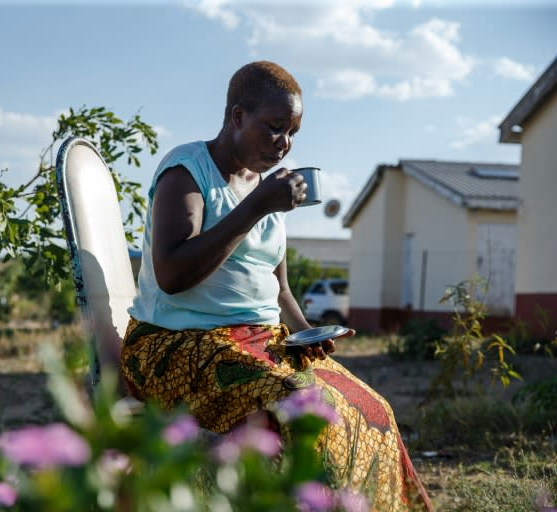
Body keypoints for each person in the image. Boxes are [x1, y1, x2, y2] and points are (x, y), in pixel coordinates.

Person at [120, 61, 432, 511]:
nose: (284, 144)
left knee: (372, 409)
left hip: (259, 342)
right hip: (175, 345)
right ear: (237, 117)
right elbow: (171, 276)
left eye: (292, 133)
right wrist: (255, 209)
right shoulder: (187, 172)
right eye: (274, 128)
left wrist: (308, 334)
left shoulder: (266, 190)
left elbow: (280, 288)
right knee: (301, 409)